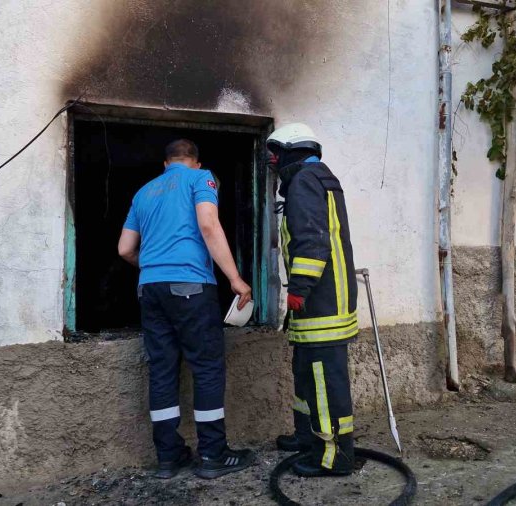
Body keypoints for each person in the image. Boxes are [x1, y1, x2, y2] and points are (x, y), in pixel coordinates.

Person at [118, 139, 254, 480]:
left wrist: (156, 268)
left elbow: (124, 249)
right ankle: (212, 456)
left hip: (149, 288)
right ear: (195, 161)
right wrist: (235, 279)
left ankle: (169, 457)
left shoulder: (144, 192)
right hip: (191, 286)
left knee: (162, 369)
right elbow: (208, 225)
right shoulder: (201, 178)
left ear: (166, 164)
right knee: (207, 368)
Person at [266, 123, 358, 477]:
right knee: (306, 375)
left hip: (320, 304)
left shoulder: (305, 182)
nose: (274, 166)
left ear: (292, 152)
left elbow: (312, 242)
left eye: (276, 157)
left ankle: (334, 457)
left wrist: (298, 290)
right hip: (325, 302)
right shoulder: (320, 179)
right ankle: (307, 436)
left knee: (322, 382)